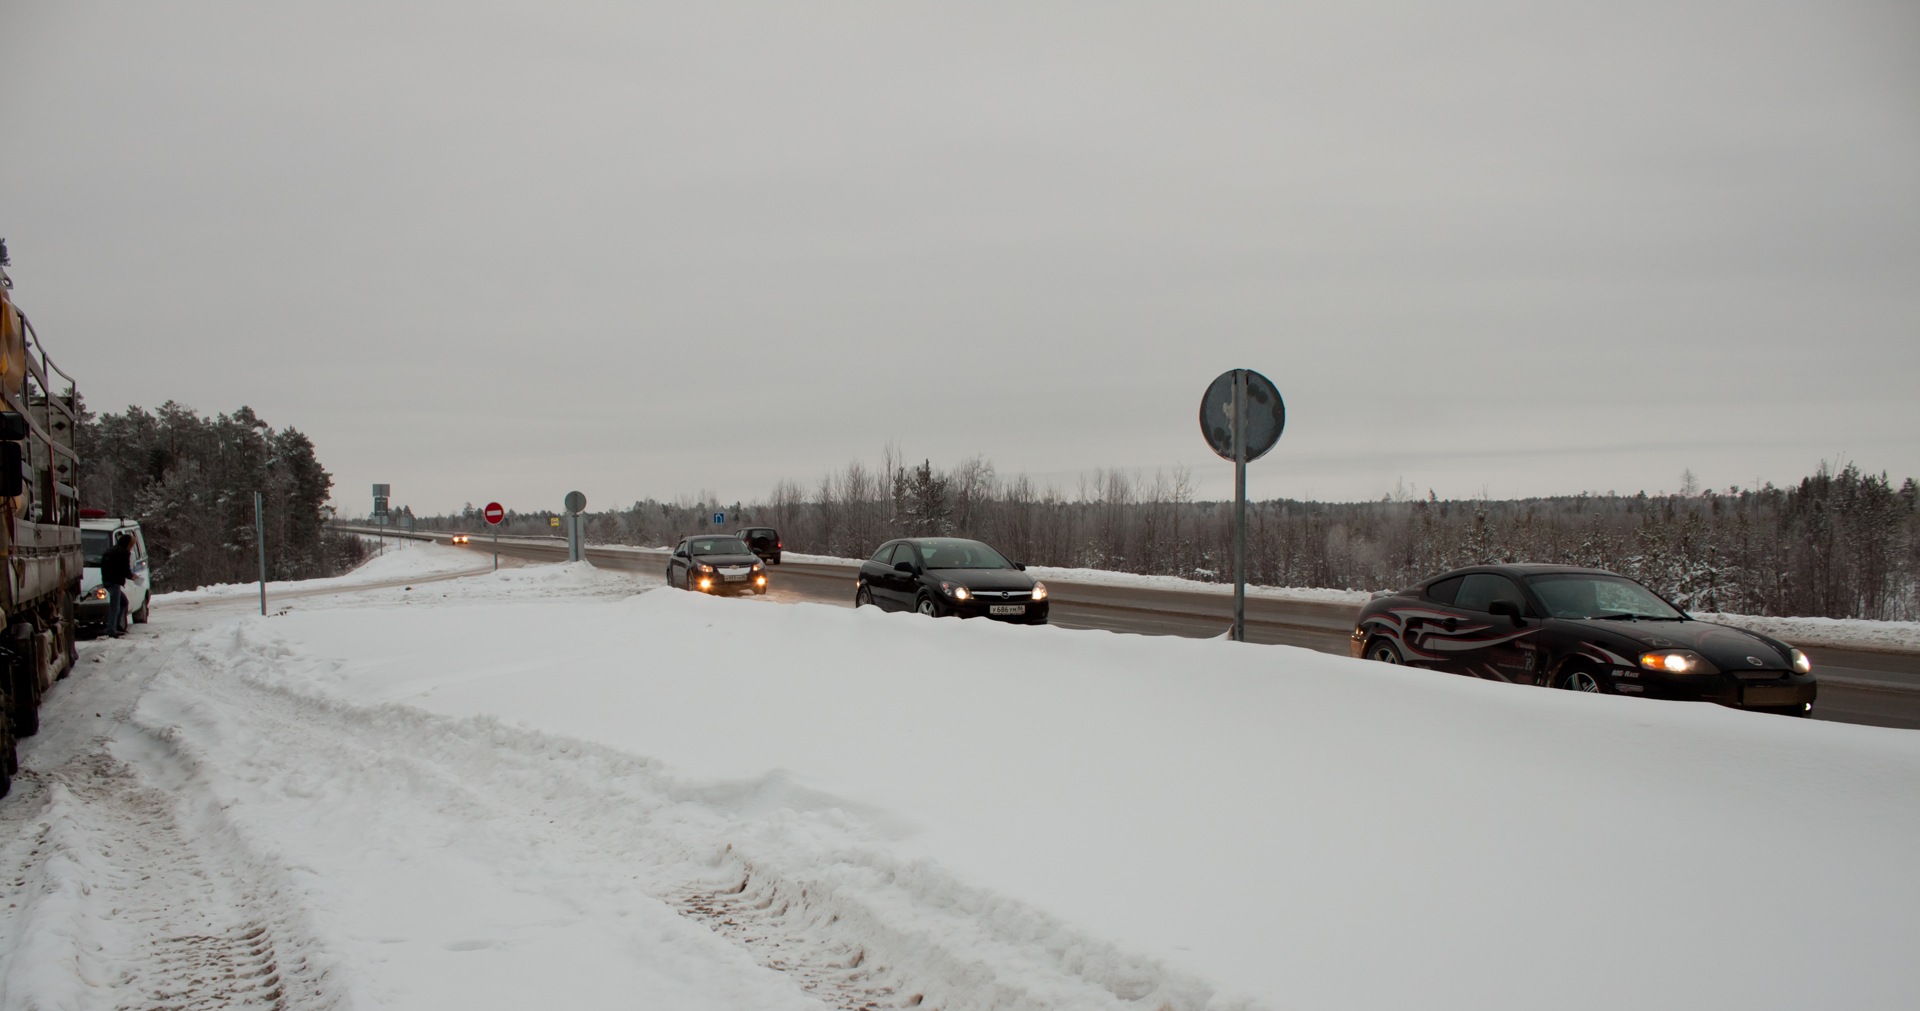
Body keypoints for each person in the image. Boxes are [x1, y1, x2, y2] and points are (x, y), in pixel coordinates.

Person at [101, 533, 142, 637]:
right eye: (131, 544)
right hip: (114, 582)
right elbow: (125, 570)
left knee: (123, 602)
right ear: (128, 544)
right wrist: (133, 577)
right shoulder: (124, 553)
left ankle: (117, 625)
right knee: (115, 607)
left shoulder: (110, 550)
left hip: (107, 580)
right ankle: (111, 630)